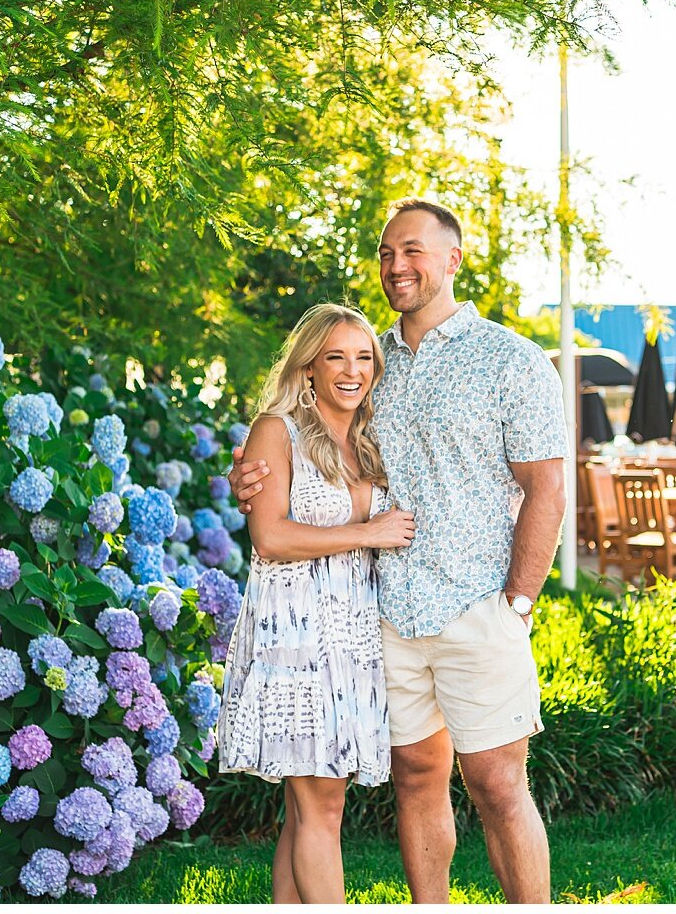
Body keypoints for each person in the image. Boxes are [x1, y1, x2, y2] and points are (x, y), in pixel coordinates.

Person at [231, 199, 567, 904]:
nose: (397, 266)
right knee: (417, 775)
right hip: (383, 611)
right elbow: (308, 440)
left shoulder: (511, 359)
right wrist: (252, 475)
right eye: (386, 253)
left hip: (480, 604)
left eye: (413, 251)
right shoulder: (371, 360)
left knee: (499, 784)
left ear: (453, 259)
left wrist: (519, 604)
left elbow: (547, 489)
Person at [216, 303, 418, 904]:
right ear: (308, 368)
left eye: (363, 358)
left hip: (351, 633)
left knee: (310, 804)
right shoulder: (276, 430)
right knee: (322, 804)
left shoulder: (370, 435)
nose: (352, 371)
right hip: (295, 631)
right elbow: (270, 537)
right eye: (336, 357)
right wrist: (368, 532)